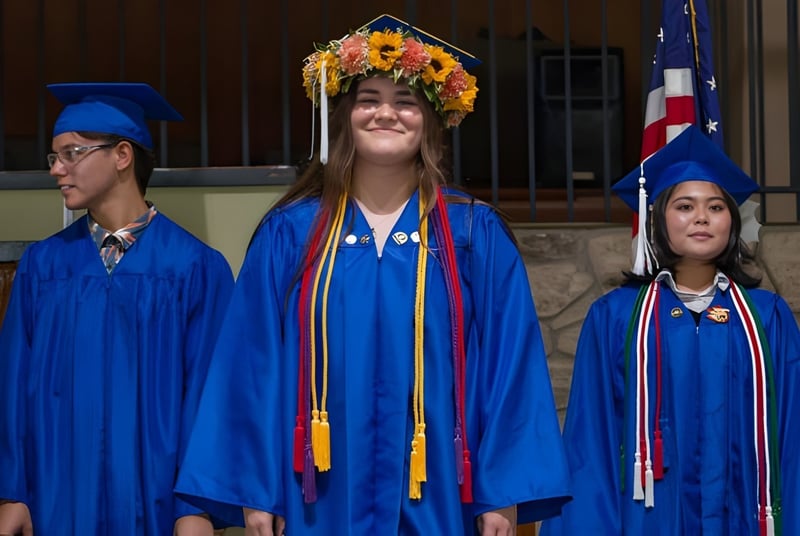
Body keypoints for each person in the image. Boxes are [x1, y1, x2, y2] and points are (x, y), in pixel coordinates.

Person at [175, 14, 571, 535]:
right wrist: (255, 490)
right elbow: (248, 367)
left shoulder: (473, 236)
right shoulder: (291, 235)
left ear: (431, 120)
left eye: (405, 102)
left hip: (443, 495)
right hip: (316, 495)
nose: (387, 112)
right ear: (344, 117)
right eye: (369, 99)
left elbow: (509, 367)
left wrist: (503, 494)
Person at [540, 124, 800, 535]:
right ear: (656, 219)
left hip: (745, 516)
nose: (701, 217)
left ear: (732, 222)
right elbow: (593, 438)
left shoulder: (766, 317)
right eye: (685, 206)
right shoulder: (616, 316)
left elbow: (791, 429)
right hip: (647, 520)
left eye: (716, 207)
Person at [0, 82, 235, 535]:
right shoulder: (43, 267)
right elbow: (13, 388)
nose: (56, 169)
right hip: (56, 491)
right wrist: (13, 492)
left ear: (122, 155)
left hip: (159, 496)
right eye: (54, 157)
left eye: (71, 153)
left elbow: (211, 396)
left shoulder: (195, 268)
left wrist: (197, 507)